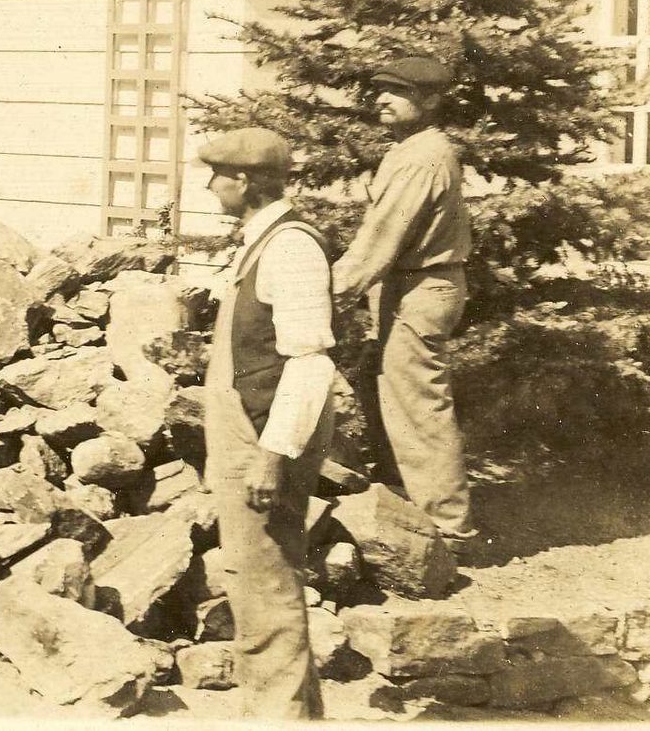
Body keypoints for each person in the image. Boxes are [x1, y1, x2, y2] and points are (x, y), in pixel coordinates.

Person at [197, 126, 335, 720]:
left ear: (244, 181)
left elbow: (310, 361)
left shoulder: (291, 248)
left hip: (263, 434)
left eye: (217, 175)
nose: (210, 186)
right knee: (256, 581)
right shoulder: (260, 242)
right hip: (245, 425)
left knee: (266, 585)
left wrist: (272, 455)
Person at [331, 53, 478, 543]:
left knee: (419, 407)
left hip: (420, 288)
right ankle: (410, 509)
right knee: (391, 396)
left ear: (431, 100)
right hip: (401, 287)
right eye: (380, 90)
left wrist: (323, 295)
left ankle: (449, 529)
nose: (382, 99)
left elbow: (379, 239)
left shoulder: (422, 157)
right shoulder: (408, 149)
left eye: (398, 92)